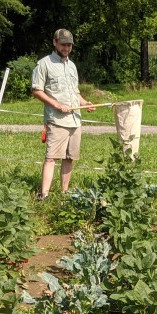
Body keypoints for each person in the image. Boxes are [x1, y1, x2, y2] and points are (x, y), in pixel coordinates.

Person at [31, 28, 95, 197]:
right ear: (55, 43)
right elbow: (37, 90)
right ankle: (43, 195)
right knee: (51, 157)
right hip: (57, 119)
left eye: (69, 45)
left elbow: (75, 92)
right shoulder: (44, 64)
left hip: (75, 120)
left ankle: (64, 193)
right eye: (63, 44)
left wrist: (84, 103)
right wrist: (56, 104)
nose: (66, 48)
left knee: (69, 158)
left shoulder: (72, 66)